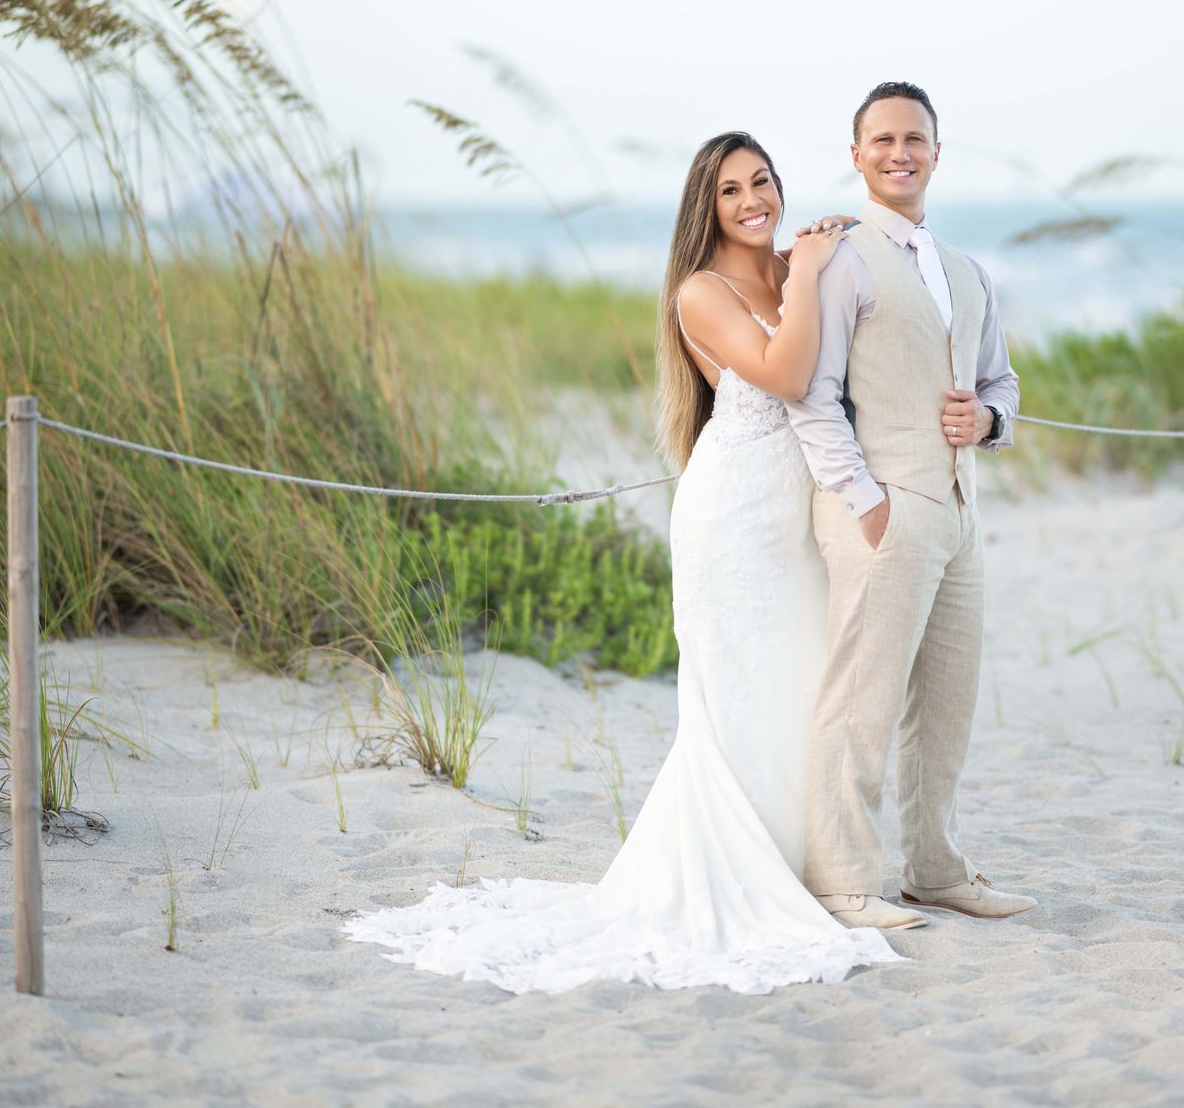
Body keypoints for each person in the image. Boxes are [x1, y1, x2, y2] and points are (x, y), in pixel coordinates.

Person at [341, 132, 899, 994]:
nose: (752, 200)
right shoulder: (701, 291)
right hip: (733, 524)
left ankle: (810, 861)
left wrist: (828, 261)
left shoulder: (792, 262)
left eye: (762, 182)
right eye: (730, 191)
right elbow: (789, 374)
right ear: (704, 209)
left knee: (799, 685)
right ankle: (747, 874)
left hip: (797, 521)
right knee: (739, 696)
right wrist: (815, 269)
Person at [786, 81, 1038, 929]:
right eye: (883, 139)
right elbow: (812, 397)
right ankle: (842, 881)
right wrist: (865, 503)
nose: (901, 152)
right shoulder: (840, 258)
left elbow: (1001, 381)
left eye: (916, 139)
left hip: (959, 514)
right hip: (883, 509)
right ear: (856, 155)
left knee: (946, 703)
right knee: (862, 700)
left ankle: (935, 868)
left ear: (937, 152)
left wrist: (990, 417)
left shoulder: (968, 271)